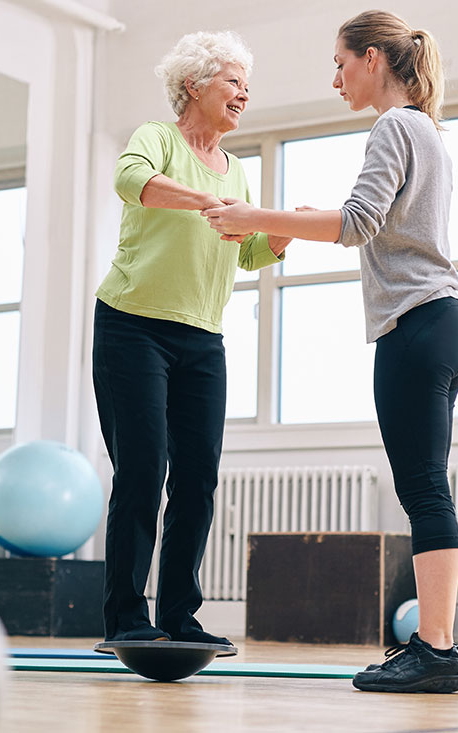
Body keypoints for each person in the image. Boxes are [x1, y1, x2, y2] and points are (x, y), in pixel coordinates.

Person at [203, 10, 458, 693]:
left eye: (341, 63)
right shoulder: (429, 132)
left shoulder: (395, 125)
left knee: (422, 490)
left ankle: (438, 649)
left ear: (375, 59)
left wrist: (255, 216)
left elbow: (357, 223)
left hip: (415, 327)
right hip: (443, 322)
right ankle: (438, 645)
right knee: (427, 486)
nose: (336, 78)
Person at [93, 30, 290, 647]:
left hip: (202, 339)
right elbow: (133, 183)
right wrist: (209, 202)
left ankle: (179, 615)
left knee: (197, 477)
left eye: (246, 84)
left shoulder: (240, 170)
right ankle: (126, 617)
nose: (243, 93)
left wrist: (280, 234)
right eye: (232, 81)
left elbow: (248, 251)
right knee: (143, 470)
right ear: (194, 85)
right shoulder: (158, 138)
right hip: (133, 327)